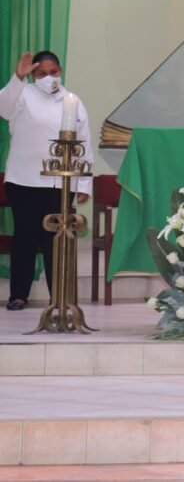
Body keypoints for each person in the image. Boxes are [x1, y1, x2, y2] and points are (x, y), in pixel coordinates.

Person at [0, 51, 92, 311]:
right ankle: (18, 295)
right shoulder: (22, 94)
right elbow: (3, 108)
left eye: (54, 72)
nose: (49, 78)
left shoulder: (72, 101)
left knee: (56, 239)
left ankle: (59, 297)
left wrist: (83, 184)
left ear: (61, 70)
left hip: (60, 183)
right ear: (33, 74)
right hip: (24, 180)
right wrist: (18, 77)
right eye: (41, 73)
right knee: (25, 237)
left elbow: (83, 143)